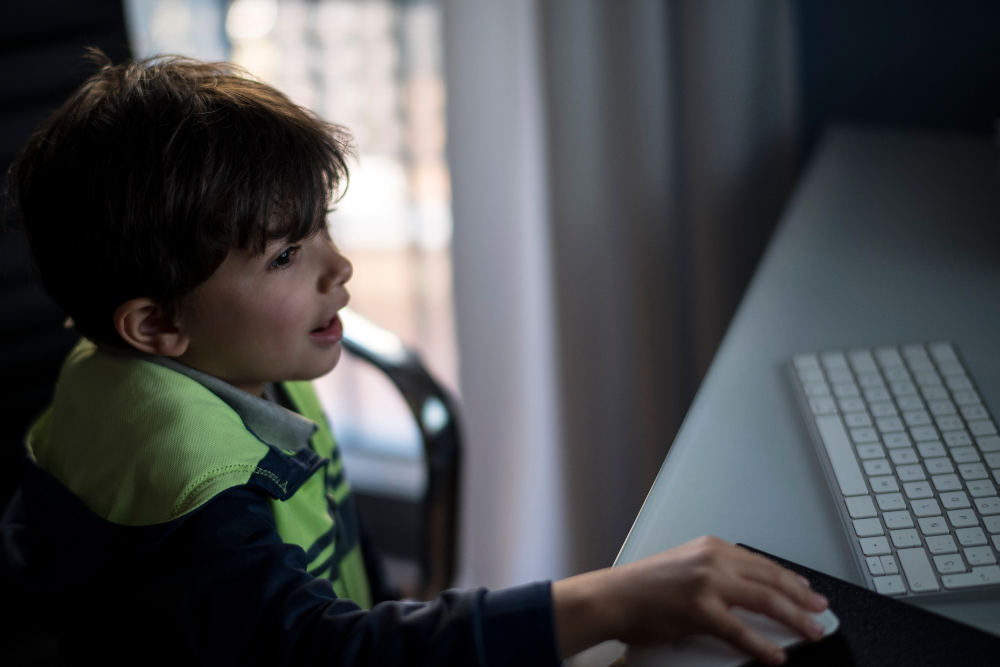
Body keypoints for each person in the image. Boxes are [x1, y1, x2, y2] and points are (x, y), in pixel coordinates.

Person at [0, 53, 828, 666]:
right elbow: (319, 652)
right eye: (287, 255)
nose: (340, 266)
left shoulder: (221, 365)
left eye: (320, 226)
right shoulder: (181, 476)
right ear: (154, 327)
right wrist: (605, 598)